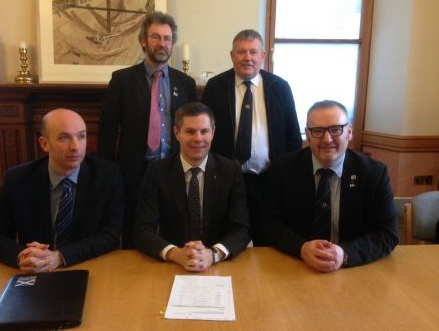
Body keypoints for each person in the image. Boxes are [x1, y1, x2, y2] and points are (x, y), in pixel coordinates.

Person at [261, 100, 399, 272]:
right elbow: (268, 223)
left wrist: (345, 253)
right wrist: (301, 248)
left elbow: (387, 234)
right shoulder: (283, 169)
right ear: (307, 134)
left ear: (349, 132)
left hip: (354, 271)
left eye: (335, 130)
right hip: (295, 266)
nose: (327, 139)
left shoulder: (374, 174)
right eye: (318, 131)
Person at [98, 11, 196, 249]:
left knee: (176, 234)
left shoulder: (186, 84)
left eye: (167, 38)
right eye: (156, 37)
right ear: (143, 40)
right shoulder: (121, 80)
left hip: (174, 170)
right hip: (134, 172)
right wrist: (107, 174)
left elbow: (193, 129)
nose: (162, 43)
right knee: (135, 237)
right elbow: (108, 131)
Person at [0, 109, 124, 273]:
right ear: (44, 143)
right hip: (34, 271)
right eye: (64, 137)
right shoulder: (17, 179)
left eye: (81, 136)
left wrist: (59, 257)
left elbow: (111, 235)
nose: (75, 146)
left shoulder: (107, 175)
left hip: (86, 266)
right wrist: (24, 257)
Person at [202, 29, 302, 245]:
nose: (248, 57)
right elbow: (204, 132)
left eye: (253, 52)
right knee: (226, 236)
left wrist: (288, 174)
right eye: (241, 52)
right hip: (226, 179)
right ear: (232, 55)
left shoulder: (280, 87)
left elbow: (293, 136)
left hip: (269, 179)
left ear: (263, 56)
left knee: (268, 239)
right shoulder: (216, 87)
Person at [134, 102, 251, 272]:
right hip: (172, 265)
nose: (198, 138)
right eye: (190, 131)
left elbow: (241, 229)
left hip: (218, 265)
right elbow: (142, 229)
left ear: (213, 132)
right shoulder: (157, 171)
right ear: (176, 133)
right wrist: (175, 253)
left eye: (204, 131)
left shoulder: (230, 171)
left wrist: (213, 254)